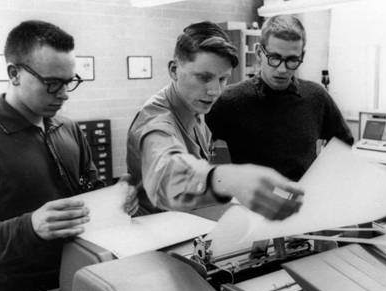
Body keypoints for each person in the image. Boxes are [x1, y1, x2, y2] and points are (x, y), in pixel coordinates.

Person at [0, 20, 136, 291]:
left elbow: (87, 188)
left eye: (69, 82)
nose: (64, 95)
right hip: (18, 286)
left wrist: (115, 197)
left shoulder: (68, 128)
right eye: (52, 84)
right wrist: (29, 226)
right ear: (14, 73)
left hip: (84, 274)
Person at [127, 21, 304, 220]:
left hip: (186, 224)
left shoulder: (195, 107)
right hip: (152, 236)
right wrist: (228, 179)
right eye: (203, 77)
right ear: (174, 69)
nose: (215, 91)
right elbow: (168, 173)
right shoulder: (155, 122)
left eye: (222, 79)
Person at [206, 15, 354, 182]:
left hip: (303, 202)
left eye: (292, 60)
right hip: (252, 205)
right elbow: (193, 144)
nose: (282, 69)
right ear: (259, 53)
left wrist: (321, 182)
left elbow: (344, 143)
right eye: (274, 58)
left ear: (302, 56)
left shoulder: (317, 97)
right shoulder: (229, 101)